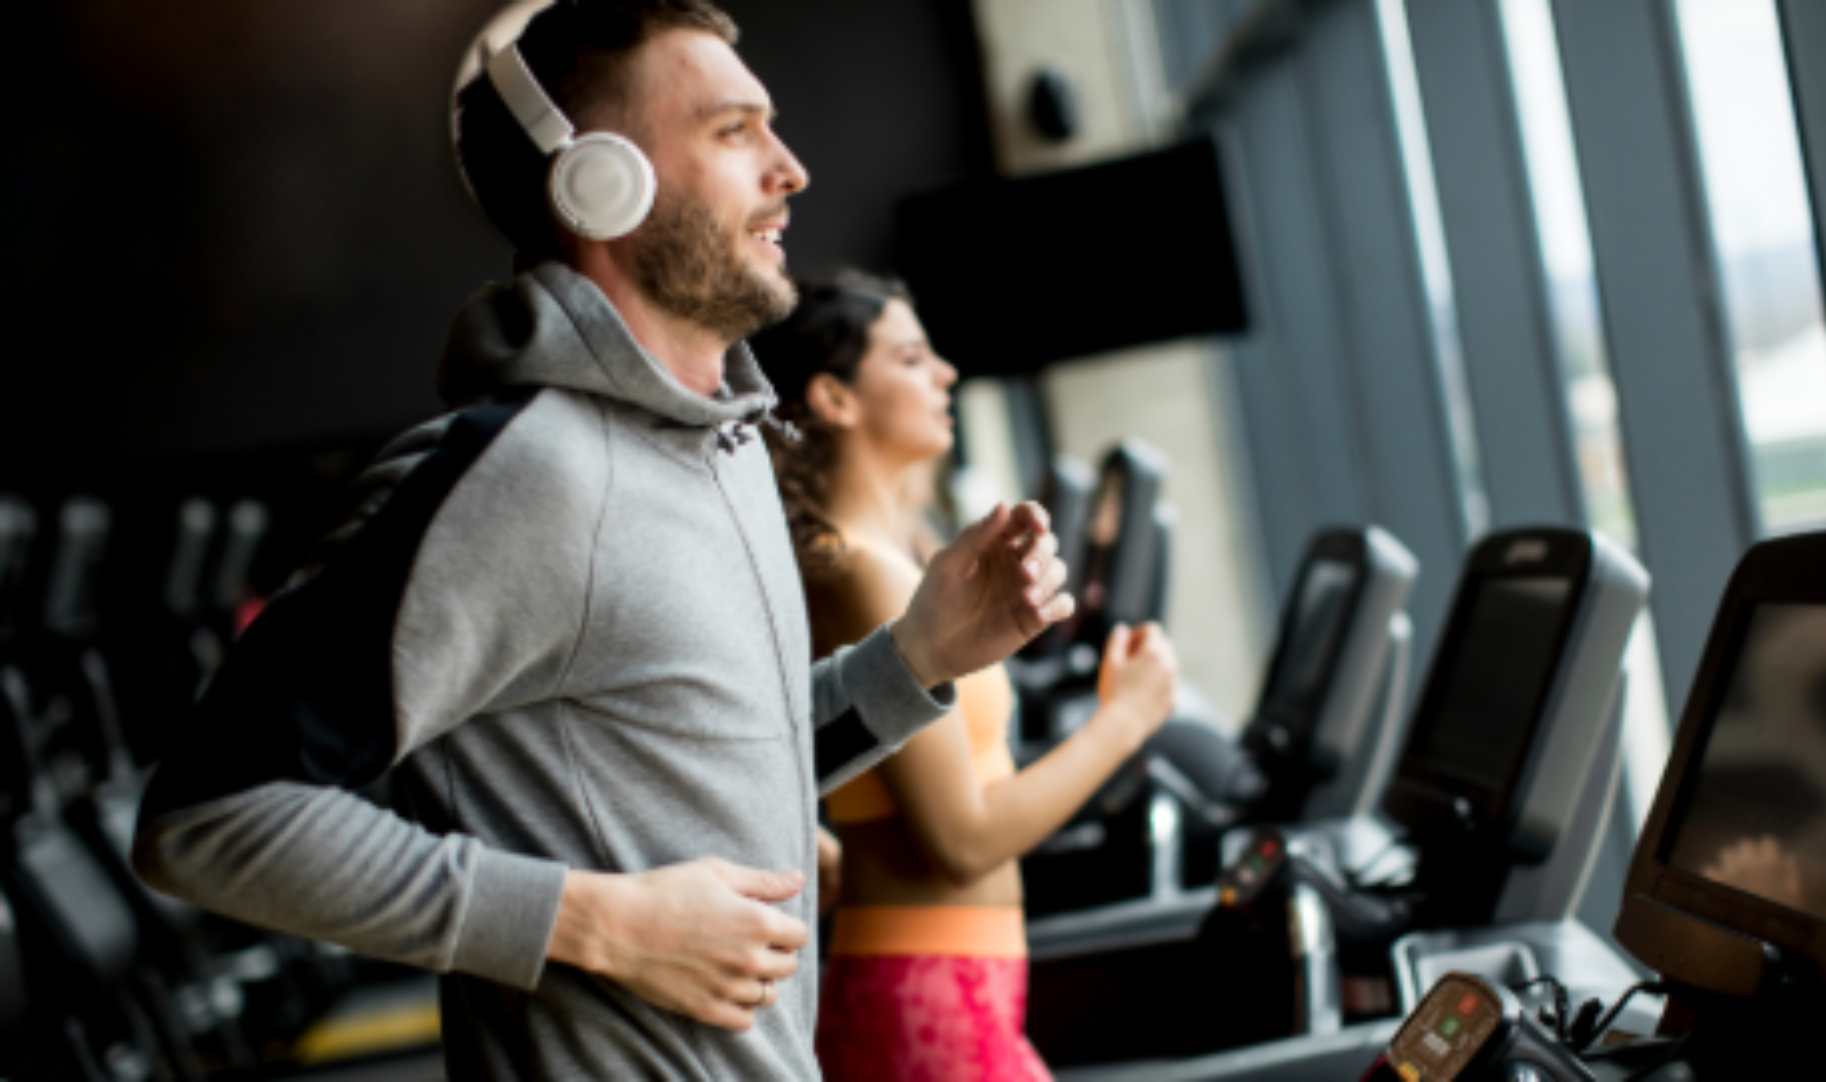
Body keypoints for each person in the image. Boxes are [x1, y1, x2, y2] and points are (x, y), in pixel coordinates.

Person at [130, 3, 1074, 1079]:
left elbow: (714, 775)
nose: (792, 168)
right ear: (600, 183)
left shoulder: (724, 453)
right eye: (733, 131)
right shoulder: (520, 477)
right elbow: (206, 815)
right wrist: (595, 921)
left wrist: (916, 657)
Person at [753, 271, 1179, 1081]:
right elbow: (963, 840)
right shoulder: (860, 571)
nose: (945, 374)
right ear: (835, 398)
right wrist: (1122, 720)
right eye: (912, 359)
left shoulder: (894, 553)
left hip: (953, 986)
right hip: (927, 991)